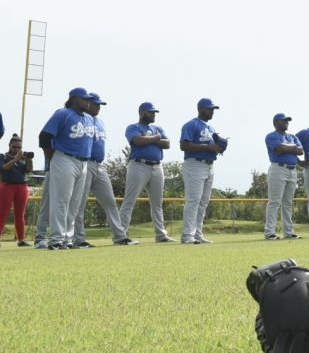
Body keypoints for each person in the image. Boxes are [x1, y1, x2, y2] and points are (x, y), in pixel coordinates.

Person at [72, 93, 136, 247]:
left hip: (100, 166)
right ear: (87, 104)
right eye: (95, 104)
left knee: (110, 202)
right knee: (80, 204)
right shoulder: (81, 120)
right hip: (85, 163)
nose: (98, 107)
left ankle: (120, 237)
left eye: (100, 105)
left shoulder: (100, 122)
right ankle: (78, 239)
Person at [38, 88, 96, 249]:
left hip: (83, 162)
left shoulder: (90, 119)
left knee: (74, 203)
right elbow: (44, 137)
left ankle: (67, 239)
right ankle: (56, 239)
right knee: (61, 201)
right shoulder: (63, 114)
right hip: (64, 158)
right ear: (74, 99)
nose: (88, 101)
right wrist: (53, 158)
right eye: (85, 99)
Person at [121, 102, 173, 242]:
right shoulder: (133, 127)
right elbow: (138, 141)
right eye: (150, 112)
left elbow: (167, 143)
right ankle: (121, 235)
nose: (153, 114)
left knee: (157, 203)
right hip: (138, 165)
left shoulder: (157, 128)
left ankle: (161, 235)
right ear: (142, 112)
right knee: (129, 202)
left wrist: (149, 139)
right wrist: (156, 138)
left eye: (154, 112)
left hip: (157, 167)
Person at [179, 98, 227, 244]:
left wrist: (219, 148)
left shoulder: (211, 128)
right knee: (193, 201)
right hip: (194, 164)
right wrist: (207, 147)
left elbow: (214, 147)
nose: (212, 111)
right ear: (200, 109)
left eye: (213, 109)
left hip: (209, 165)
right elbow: (184, 145)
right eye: (209, 108)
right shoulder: (191, 125)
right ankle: (187, 235)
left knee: (203, 202)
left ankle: (197, 234)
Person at [264, 113, 304, 240]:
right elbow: (279, 149)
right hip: (278, 168)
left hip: (293, 170)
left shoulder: (292, 137)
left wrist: (288, 148)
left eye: (287, 121)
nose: (287, 122)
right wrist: (292, 148)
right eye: (284, 121)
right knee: (274, 202)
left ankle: (288, 232)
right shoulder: (271, 136)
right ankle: (270, 232)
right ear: (276, 122)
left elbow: (300, 151)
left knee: (287, 203)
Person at [1, 135, 33, 247]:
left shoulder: (23, 157)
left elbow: (29, 170)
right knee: (2, 213)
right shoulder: (3, 156)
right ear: (9, 145)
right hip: (7, 186)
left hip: (22, 186)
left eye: (19, 147)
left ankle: (21, 240)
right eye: (15, 147)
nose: (17, 150)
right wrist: (16, 159)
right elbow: (4, 168)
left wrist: (29, 160)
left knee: (20, 214)